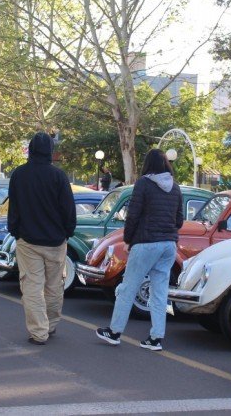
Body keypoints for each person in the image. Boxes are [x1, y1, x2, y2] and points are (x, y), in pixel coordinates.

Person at [97, 149, 183, 351]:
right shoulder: (175, 187)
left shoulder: (144, 183)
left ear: (148, 164)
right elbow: (179, 220)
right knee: (160, 292)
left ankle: (114, 332)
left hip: (145, 243)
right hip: (169, 245)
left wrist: (128, 239)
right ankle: (156, 339)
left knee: (128, 288)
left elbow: (133, 214)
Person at [7, 132, 76, 346]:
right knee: (54, 285)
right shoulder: (58, 176)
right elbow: (68, 209)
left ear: (30, 149)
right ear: (50, 151)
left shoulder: (19, 174)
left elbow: (14, 207)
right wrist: (67, 232)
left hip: (28, 240)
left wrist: (15, 230)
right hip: (56, 241)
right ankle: (51, 323)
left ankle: (39, 331)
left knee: (32, 286)